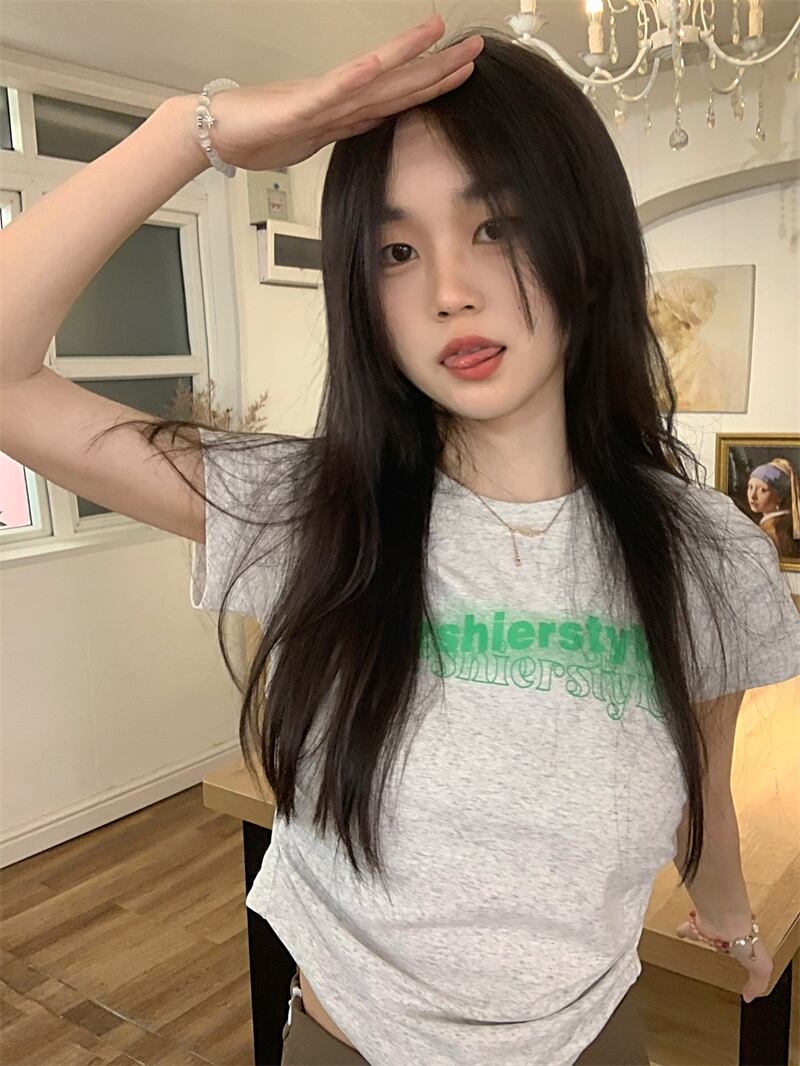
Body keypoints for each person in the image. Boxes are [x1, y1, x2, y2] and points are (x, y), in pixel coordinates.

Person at [2, 15, 798, 1066]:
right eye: (396, 250)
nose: (448, 290)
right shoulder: (311, 508)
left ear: (587, 249)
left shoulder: (704, 551)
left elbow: (700, 783)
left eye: (496, 226)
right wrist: (191, 130)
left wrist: (730, 918)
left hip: (589, 1038)